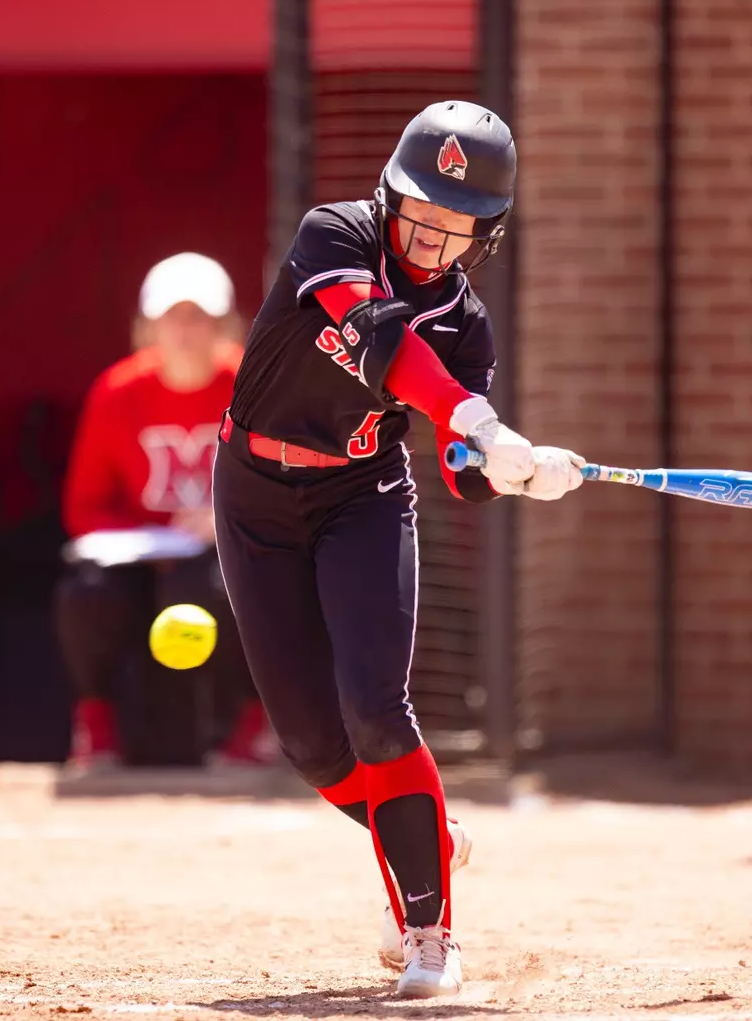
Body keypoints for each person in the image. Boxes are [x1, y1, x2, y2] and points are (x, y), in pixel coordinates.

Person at [213, 101, 584, 999]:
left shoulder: (467, 326)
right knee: (311, 747)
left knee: (377, 709)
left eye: (455, 226)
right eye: (418, 211)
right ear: (389, 198)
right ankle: (422, 830)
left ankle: (429, 933)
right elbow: (381, 340)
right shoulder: (332, 235)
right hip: (254, 489)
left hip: (363, 496)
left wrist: (515, 471)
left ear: (484, 234)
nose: (430, 237)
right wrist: (475, 417)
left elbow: (459, 473)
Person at [56, 253, 274, 772]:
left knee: (222, 589)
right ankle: (97, 729)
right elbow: (82, 508)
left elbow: (286, 488)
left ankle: (252, 727)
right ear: (147, 326)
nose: (184, 331)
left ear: (224, 325)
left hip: (228, 553)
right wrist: (146, 539)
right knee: (85, 595)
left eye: (198, 317)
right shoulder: (116, 392)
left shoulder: (256, 384)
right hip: (140, 556)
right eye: (171, 318)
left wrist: (221, 520)